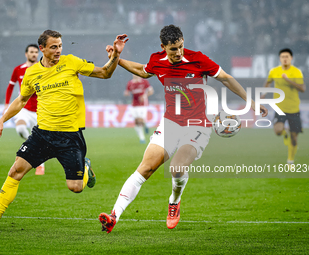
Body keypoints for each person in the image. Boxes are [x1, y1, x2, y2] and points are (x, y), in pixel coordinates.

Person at [98, 24, 268, 233]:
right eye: (173, 49)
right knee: (146, 168)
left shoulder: (198, 59)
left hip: (198, 124)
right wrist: (117, 57)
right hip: (170, 122)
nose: (178, 52)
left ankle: (174, 202)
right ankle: (114, 215)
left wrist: (249, 101)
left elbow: (225, 78)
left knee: (177, 168)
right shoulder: (157, 60)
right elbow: (142, 71)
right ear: (163, 47)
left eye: (180, 46)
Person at [0, 30, 128, 230]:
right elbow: (21, 100)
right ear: (42, 49)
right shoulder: (32, 73)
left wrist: (115, 55)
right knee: (15, 171)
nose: (58, 50)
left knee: (76, 188)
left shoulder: (71, 62)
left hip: (70, 137)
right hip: (42, 135)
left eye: (60, 46)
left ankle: (86, 168)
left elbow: (105, 73)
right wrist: (2, 119)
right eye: (54, 47)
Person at [3, 44, 45, 175]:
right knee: (21, 129)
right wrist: (6, 104)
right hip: (24, 108)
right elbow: (10, 87)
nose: (34, 54)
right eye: (31, 52)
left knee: (43, 140)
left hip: (40, 110)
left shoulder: (43, 69)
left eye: (36, 52)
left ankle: (40, 163)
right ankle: (35, 149)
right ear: (26, 54)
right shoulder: (18, 70)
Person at [262, 48, 305, 165]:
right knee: (277, 131)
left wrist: (288, 80)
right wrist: (263, 94)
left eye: (287, 57)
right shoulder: (274, 71)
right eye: (282, 57)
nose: (285, 59)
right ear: (280, 58)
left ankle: (290, 161)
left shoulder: (296, 72)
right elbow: (268, 82)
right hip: (279, 107)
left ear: (291, 58)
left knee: (294, 139)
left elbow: (302, 89)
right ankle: (285, 133)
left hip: (294, 108)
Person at [124, 74, 154, 143]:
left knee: (141, 120)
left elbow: (151, 91)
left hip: (143, 104)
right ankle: (142, 138)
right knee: (136, 122)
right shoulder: (130, 83)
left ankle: (145, 124)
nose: (135, 75)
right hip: (134, 104)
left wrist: (145, 96)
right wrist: (126, 94)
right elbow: (127, 92)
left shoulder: (144, 82)